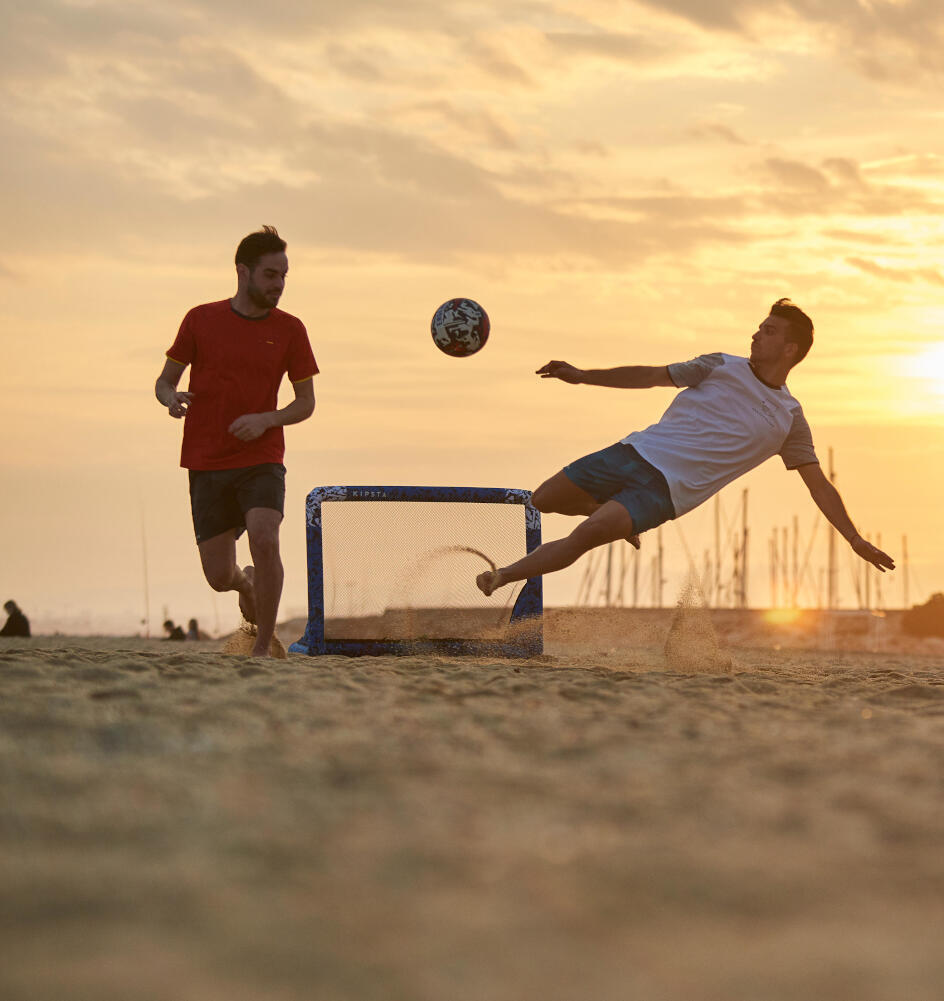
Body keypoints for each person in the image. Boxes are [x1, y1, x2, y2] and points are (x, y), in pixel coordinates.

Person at [476, 299, 894, 597]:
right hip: (632, 452)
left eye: (768, 331)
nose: (755, 334)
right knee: (544, 498)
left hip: (665, 493)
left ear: (790, 350)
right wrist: (583, 375)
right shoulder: (718, 366)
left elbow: (819, 485)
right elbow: (650, 376)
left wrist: (854, 539)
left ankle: (501, 578)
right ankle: (611, 515)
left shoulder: (789, 419)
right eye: (759, 326)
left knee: (586, 536)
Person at [155, 226, 318, 657]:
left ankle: (263, 645)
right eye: (270, 275)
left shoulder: (291, 330)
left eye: (283, 275)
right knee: (219, 575)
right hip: (206, 461)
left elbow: (305, 403)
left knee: (265, 538)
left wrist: (268, 419)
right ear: (243, 272)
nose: (279, 285)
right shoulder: (200, 319)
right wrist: (171, 398)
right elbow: (164, 381)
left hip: (261, 457)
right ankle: (244, 583)